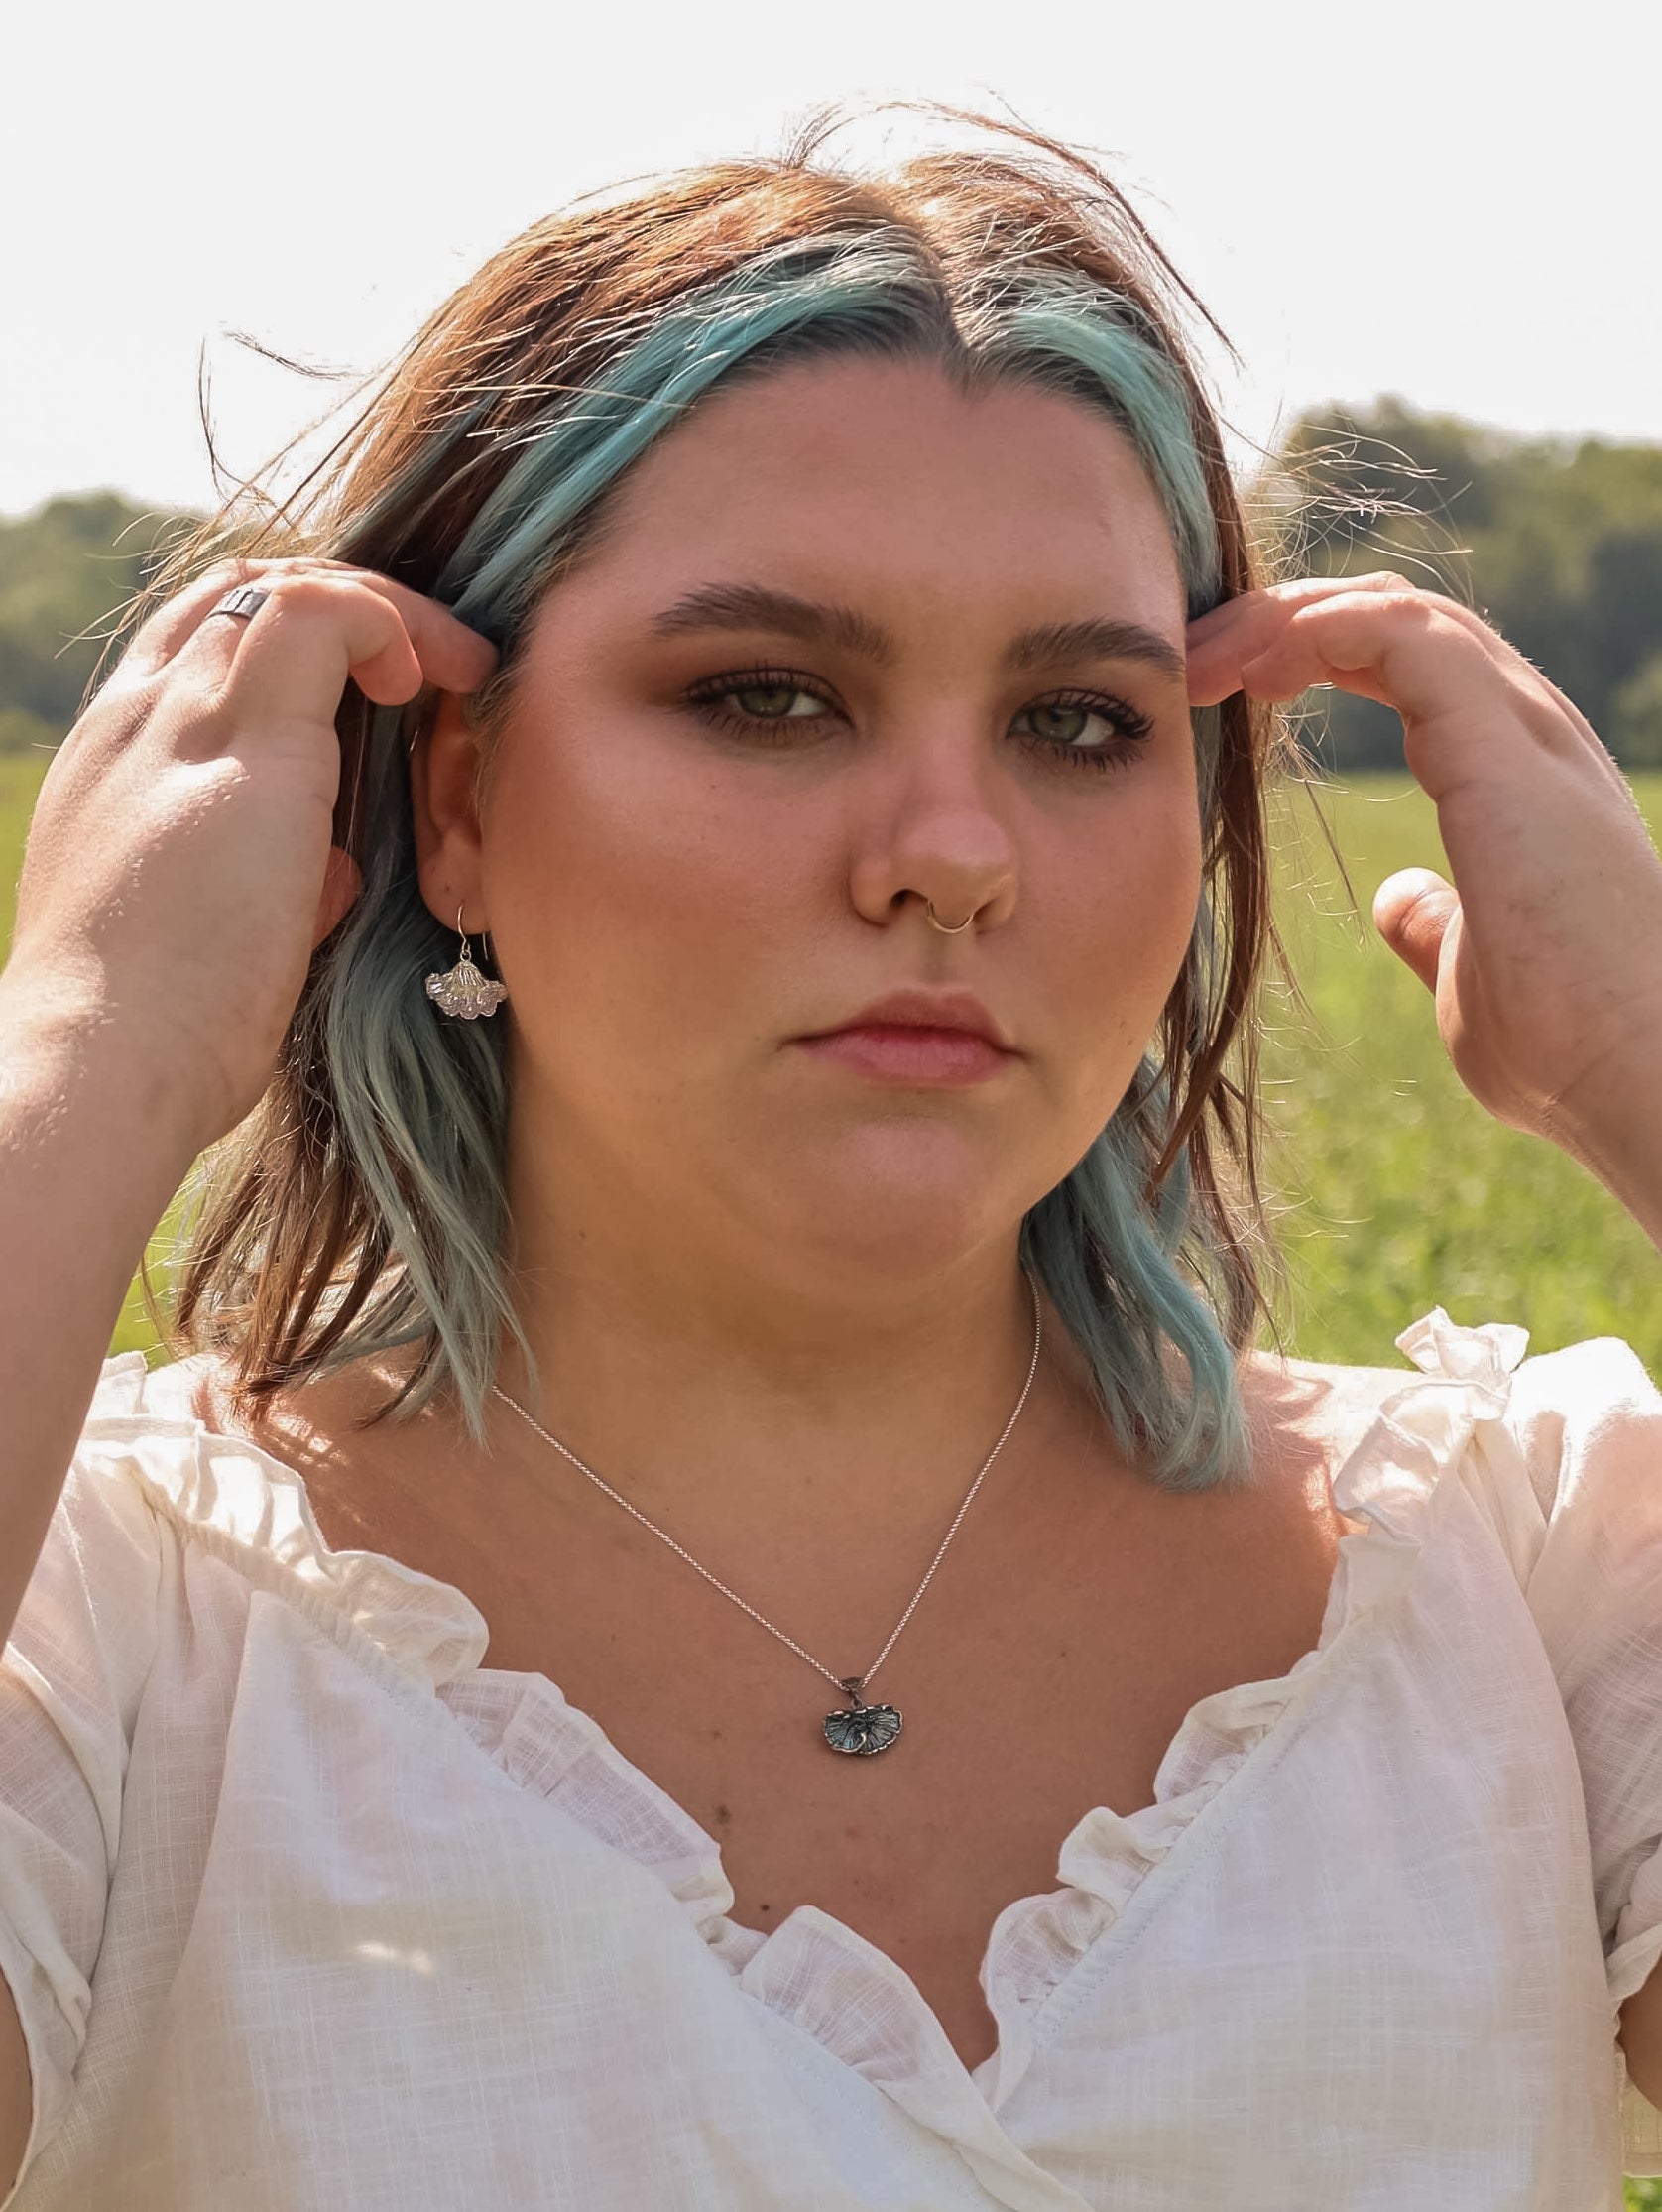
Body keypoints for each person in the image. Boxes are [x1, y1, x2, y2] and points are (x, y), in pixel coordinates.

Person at [0, 113, 1659, 2212]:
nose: (951, 856)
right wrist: (84, 1059)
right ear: (457, 803)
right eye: (767, 693)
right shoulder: (129, 1649)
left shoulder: (1526, 1589)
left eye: (1077, 723)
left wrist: (1640, 1065)